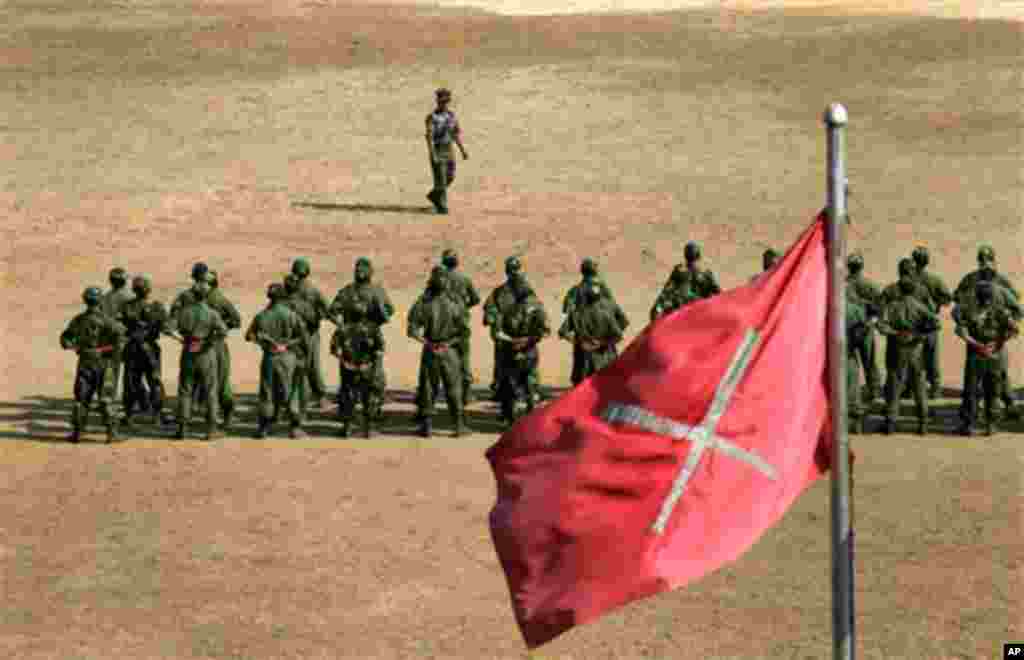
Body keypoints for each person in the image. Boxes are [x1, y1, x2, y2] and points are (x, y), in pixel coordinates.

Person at [954, 245, 1021, 419]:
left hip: (977, 337)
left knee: (974, 377)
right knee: (999, 372)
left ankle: (972, 412)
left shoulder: (970, 282)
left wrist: (966, 325)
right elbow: (1017, 307)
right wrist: (1008, 325)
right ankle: (1007, 406)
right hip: (996, 337)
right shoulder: (1002, 284)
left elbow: (957, 304)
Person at [407, 267, 470, 437]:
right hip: (449, 350)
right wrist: (449, 344)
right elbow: (464, 332)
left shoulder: (424, 301)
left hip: (430, 350)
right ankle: (458, 426)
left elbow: (412, 330)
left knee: (428, 388)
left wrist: (427, 343)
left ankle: (426, 426)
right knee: (453, 388)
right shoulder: (456, 301)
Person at [876, 272, 940, 435]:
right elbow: (935, 323)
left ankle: (890, 423)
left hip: (898, 349)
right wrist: (920, 335)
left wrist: (895, 333)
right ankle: (923, 424)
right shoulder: (920, 306)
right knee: (919, 386)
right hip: (916, 350)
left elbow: (881, 325)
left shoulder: (892, 306)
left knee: (895, 386)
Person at [60, 287, 128, 443]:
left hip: (84, 361)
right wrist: (106, 350)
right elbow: (120, 340)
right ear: (100, 301)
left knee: (81, 398)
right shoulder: (108, 320)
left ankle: (77, 432)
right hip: (104, 362)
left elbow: (65, 339)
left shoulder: (78, 320)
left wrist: (75, 347)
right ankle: (112, 434)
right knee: (106, 398)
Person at [330, 258, 394, 420]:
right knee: (374, 377)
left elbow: (331, 311)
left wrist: (342, 326)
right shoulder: (376, 291)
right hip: (368, 337)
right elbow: (389, 311)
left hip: (350, 339)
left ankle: (349, 414)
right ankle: (372, 411)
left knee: (349, 379)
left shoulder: (347, 291)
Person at [245, 283, 310, 439]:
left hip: (269, 358)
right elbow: (303, 337)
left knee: (267, 392)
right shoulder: (291, 315)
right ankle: (295, 428)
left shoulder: (261, 316)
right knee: (290, 393)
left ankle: (263, 429)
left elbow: (249, 336)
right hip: (288, 358)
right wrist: (290, 347)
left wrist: (263, 342)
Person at [171, 272, 229, 441]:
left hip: (188, 351)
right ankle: (211, 429)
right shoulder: (212, 313)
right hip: (206, 353)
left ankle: (182, 428)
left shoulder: (184, 312)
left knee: (185, 389)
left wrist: (181, 340)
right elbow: (223, 331)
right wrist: (208, 342)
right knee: (210, 389)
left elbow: (168, 328)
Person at [492, 276, 550, 424]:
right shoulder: (538, 309)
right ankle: (532, 418)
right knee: (529, 384)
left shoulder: (507, 310)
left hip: (511, 352)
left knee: (511, 385)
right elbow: (545, 331)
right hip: (529, 352)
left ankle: (510, 419)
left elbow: (497, 332)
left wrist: (513, 341)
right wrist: (528, 340)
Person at [120, 276, 169, 428]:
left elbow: (122, 324)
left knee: (131, 382)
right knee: (155, 381)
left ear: (134, 290)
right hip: (150, 349)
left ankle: (129, 416)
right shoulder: (157, 307)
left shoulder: (127, 307)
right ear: (148, 290)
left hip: (133, 348)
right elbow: (166, 326)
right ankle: (157, 416)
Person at [330, 300, 385, 438]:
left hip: (348, 368)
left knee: (348, 397)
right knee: (369, 398)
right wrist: (371, 364)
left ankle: (347, 428)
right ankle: (369, 429)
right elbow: (380, 350)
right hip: (367, 369)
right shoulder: (373, 328)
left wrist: (344, 362)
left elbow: (334, 350)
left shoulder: (342, 329)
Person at [558, 281, 628, 386]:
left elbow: (562, 332)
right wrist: (603, 342)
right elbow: (620, 333)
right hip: (604, 358)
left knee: (581, 389)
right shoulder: (606, 314)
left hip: (583, 359)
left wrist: (579, 342)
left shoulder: (576, 314)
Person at [910, 246, 953, 398]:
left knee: (912, 357)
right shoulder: (934, 279)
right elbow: (948, 299)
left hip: (913, 325)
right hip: (928, 325)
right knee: (931, 357)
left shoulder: (908, 279)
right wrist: (936, 305)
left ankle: (911, 389)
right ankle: (935, 390)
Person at [291, 258, 333, 410]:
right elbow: (328, 310)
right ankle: (319, 396)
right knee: (312, 365)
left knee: (296, 366)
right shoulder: (313, 290)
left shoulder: (289, 289)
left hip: (294, 335)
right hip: (310, 333)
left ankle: (298, 397)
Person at [439, 249, 480, 406]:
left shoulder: (439, 279)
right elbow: (475, 299)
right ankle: (467, 394)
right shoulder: (464, 279)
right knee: (464, 357)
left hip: (444, 323)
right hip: (461, 322)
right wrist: (464, 307)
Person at [483, 256, 528, 398]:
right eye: (513, 270)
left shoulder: (500, 292)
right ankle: (512, 390)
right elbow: (490, 312)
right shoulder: (501, 292)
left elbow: (489, 313)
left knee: (508, 362)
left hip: (508, 336)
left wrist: (493, 321)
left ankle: (512, 389)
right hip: (512, 335)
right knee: (511, 362)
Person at [846, 252, 883, 402]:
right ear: (861, 267)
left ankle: (852, 393)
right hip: (866, 328)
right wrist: (872, 321)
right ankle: (873, 391)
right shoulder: (870, 285)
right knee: (869, 361)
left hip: (848, 329)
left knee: (850, 361)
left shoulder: (843, 284)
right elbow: (880, 305)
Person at [425, 88, 468, 214]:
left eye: (446, 101)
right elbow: (429, 137)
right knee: (441, 179)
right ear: (438, 101)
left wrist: (462, 150)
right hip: (438, 149)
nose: (444, 104)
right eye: (442, 101)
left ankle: (434, 195)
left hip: (449, 149)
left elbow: (455, 134)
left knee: (450, 176)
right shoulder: (432, 118)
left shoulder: (451, 116)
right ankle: (441, 205)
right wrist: (432, 154)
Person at [282, 273, 318, 422]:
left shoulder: (279, 304)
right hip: (300, 348)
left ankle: (283, 412)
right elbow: (314, 322)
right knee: (301, 382)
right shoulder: (305, 306)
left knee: (283, 381)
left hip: (282, 349)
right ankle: (301, 414)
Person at [99, 266, 134, 407]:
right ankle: (133, 401)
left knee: (110, 370)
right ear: (125, 281)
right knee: (132, 371)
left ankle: (107, 398)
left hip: (108, 337)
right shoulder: (130, 297)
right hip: (125, 338)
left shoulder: (105, 297)